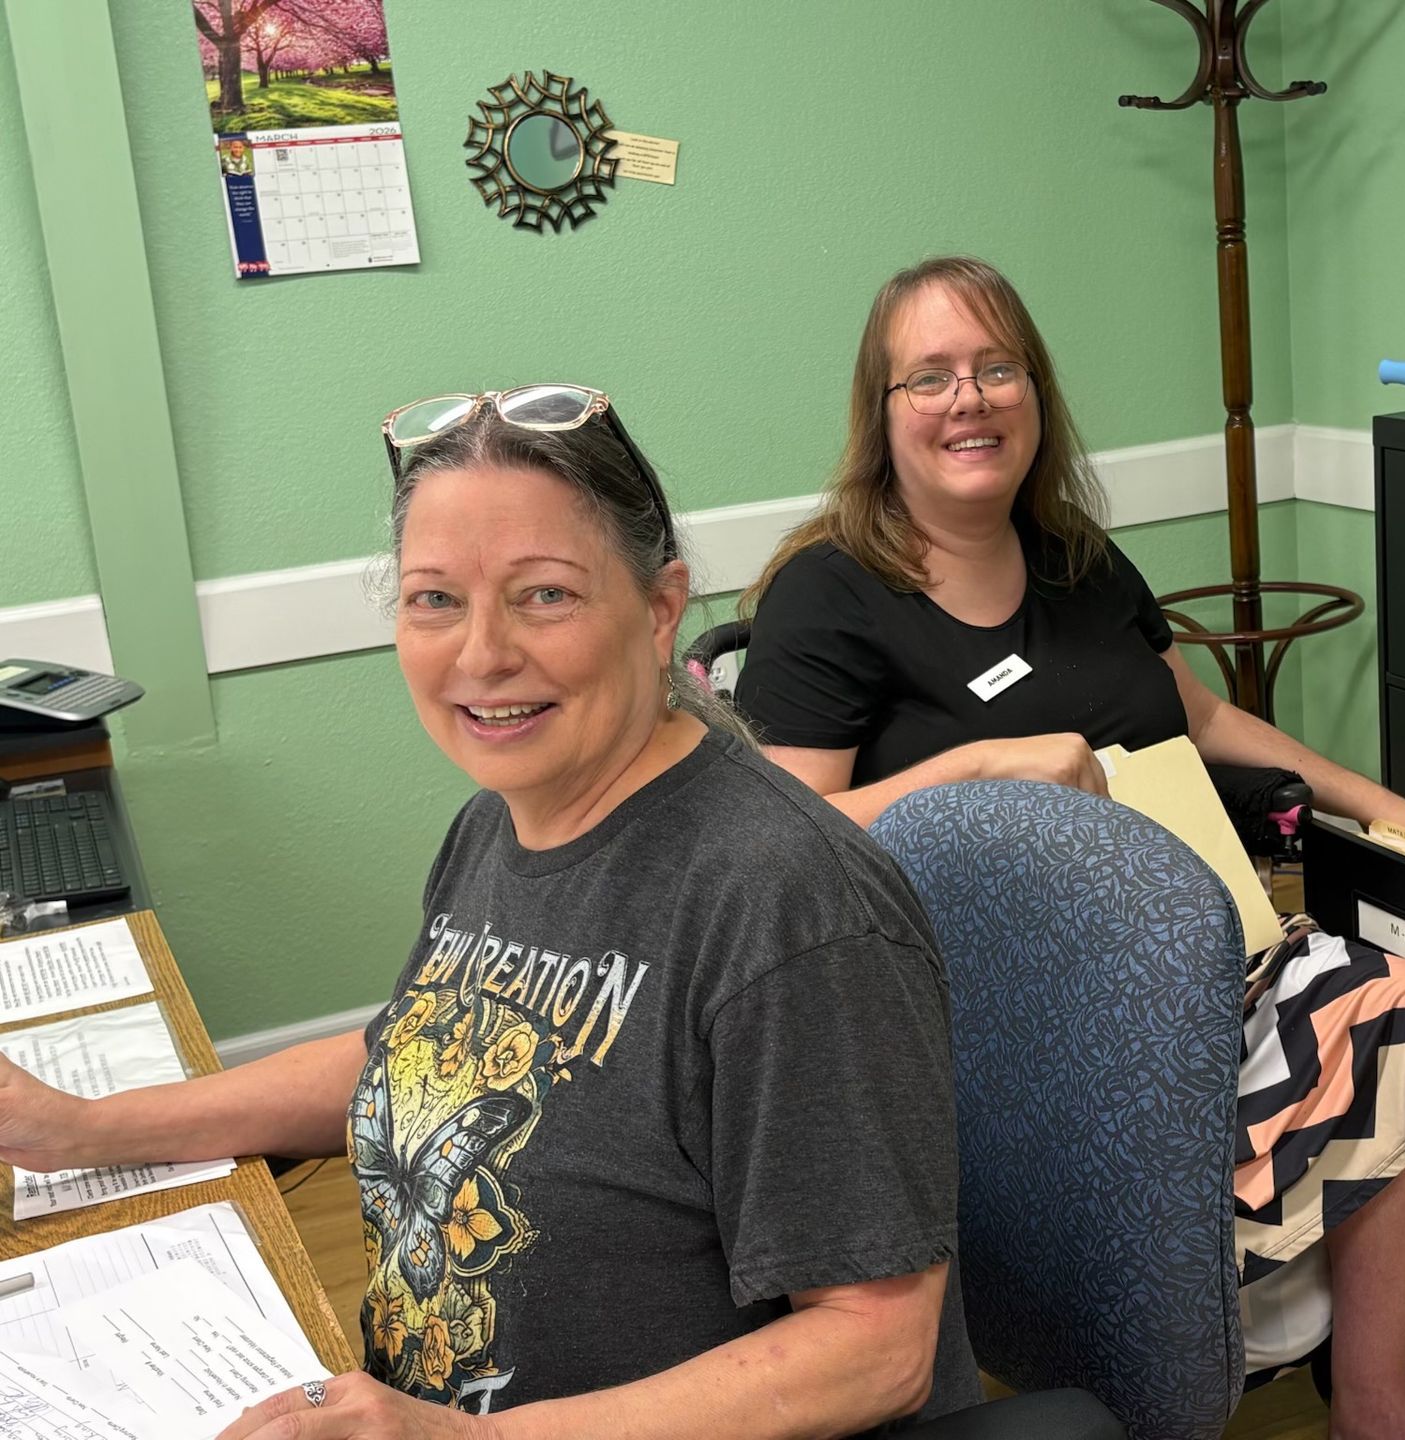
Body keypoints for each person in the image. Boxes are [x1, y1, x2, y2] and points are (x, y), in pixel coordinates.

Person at [0, 385, 979, 1438]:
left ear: (659, 612)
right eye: (434, 600)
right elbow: (406, 1061)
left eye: (545, 595)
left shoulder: (787, 904)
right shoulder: (495, 827)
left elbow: (877, 1350)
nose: (481, 655)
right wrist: (80, 1129)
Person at [735, 259, 1405, 1440]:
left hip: (1206, 948)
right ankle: (1174, 1340)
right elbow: (783, 839)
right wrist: (980, 766)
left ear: (1036, 396)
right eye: (932, 377)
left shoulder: (1077, 561)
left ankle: (1368, 1393)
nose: (970, 399)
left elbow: (1199, 715)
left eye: (998, 368)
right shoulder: (830, 593)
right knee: (1271, 1109)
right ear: (882, 410)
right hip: (997, 1013)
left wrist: (1375, 799)